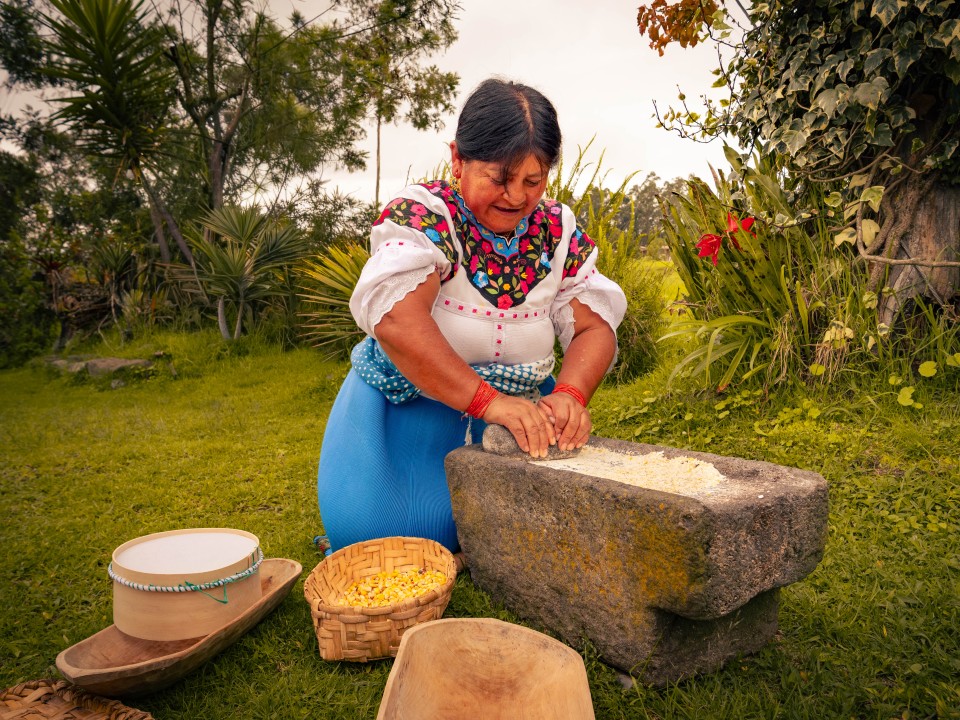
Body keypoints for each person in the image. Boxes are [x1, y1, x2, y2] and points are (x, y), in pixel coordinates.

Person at [317, 78, 627, 555]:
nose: (517, 197)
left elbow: (593, 327)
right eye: (499, 177)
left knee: (542, 541)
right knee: (387, 540)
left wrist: (569, 394)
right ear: (458, 158)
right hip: (404, 421)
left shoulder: (557, 230)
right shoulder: (427, 215)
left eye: (534, 180)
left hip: (516, 423)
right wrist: (486, 401)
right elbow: (398, 321)